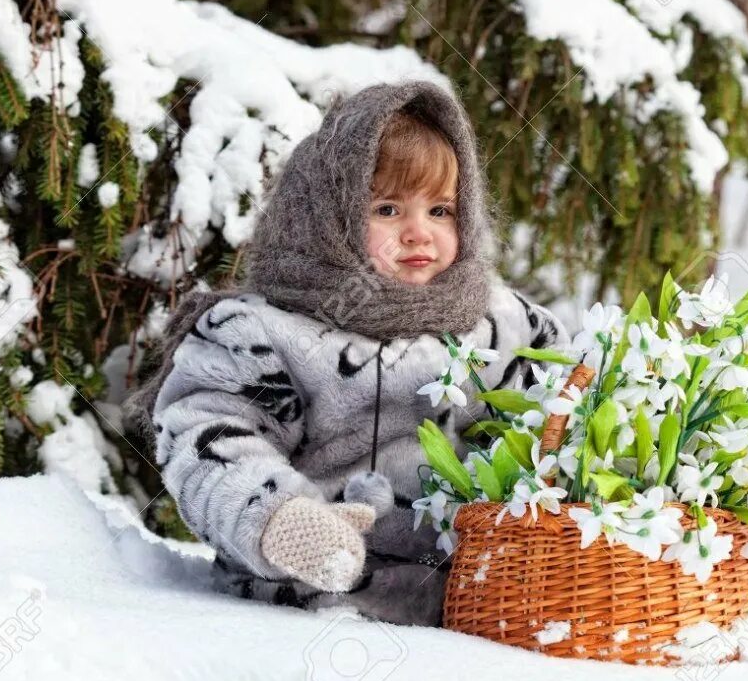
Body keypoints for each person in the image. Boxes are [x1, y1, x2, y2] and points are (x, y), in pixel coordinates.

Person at [122, 80, 568, 626]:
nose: (417, 233)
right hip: (302, 603)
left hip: (466, 606)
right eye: (386, 208)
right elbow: (207, 437)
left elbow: (561, 417)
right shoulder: (262, 332)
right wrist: (279, 520)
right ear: (325, 217)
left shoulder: (499, 325)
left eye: (440, 210)